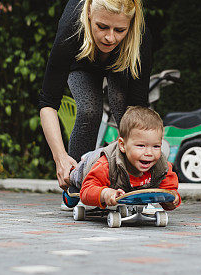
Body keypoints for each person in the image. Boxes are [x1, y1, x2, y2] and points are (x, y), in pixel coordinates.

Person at [38, 0, 152, 190]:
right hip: (82, 61)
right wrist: (60, 158)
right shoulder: (71, 26)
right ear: (89, 11)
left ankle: (132, 182)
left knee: (127, 112)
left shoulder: (140, 37)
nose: (110, 38)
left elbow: (138, 107)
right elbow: (48, 101)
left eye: (119, 30)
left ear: (130, 25)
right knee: (89, 111)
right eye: (102, 26)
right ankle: (75, 184)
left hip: (121, 61)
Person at [67, 106, 180, 210]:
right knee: (74, 179)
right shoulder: (106, 165)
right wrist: (105, 193)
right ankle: (70, 188)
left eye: (156, 146)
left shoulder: (162, 167)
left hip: (122, 184)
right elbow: (86, 191)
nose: (149, 153)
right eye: (141, 146)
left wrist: (173, 199)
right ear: (122, 145)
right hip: (89, 165)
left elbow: (169, 191)